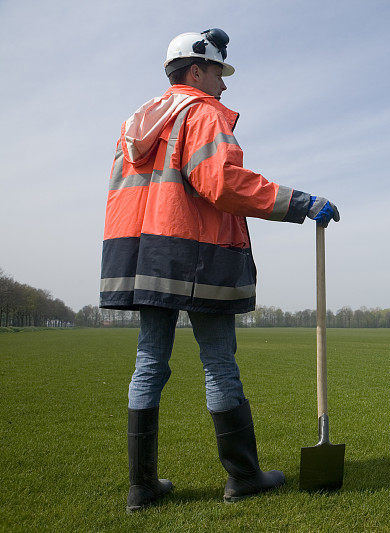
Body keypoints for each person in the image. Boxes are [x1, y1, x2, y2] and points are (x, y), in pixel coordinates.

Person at [100, 29, 340, 512]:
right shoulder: (202, 112)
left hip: (142, 254)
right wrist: (299, 203)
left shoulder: (139, 122)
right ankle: (243, 476)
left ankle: (141, 488)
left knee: (149, 363)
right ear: (195, 71)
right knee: (219, 364)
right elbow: (222, 181)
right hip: (197, 254)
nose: (224, 86)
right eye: (217, 73)